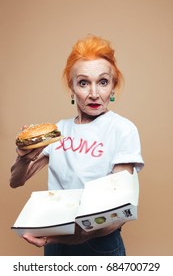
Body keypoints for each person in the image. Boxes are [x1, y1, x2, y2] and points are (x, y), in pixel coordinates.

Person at [10, 34, 144, 256]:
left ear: (113, 86)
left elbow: (119, 212)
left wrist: (66, 237)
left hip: (100, 244)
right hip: (54, 242)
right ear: (71, 88)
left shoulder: (122, 129)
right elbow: (16, 181)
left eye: (103, 82)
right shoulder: (57, 130)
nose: (93, 94)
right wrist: (24, 155)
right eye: (83, 82)